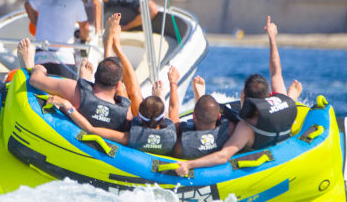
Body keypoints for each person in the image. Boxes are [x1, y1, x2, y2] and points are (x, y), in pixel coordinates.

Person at [175, 16, 300, 176]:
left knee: (226, 120)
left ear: (244, 96)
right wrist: (272, 38)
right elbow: (276, 71)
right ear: (269, 96)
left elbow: (223, 156)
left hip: (253, 150)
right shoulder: (283, 101)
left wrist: (189, 164)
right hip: (280, 133)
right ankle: (294, 97)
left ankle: (201, 99)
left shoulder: (246, 128)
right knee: (288, 100)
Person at [48, 70, 178, 156]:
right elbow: (173, 109)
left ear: (139, 117)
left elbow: (90, 129)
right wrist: (165, 92)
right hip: (163, 155)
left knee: (123, 93)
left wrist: (67, 106)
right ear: (162, 120)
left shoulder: (129, 137)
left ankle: (88, 83)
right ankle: (159, 99)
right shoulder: (173, 136)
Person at [24, 0, 91, 79]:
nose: (84, 1)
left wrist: (36, 24)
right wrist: (84, 38)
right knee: (66, 92)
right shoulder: (77, 2)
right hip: (63, 57)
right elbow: (85, 27)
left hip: (40, 56)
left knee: (40, 92)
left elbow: (28, 5)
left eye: (86, 0)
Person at [169, 74, 234, 159]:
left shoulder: (181, 146)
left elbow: (173, 112)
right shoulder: (230, 130)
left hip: (189, 158)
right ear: (219, 117)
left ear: (193, 116)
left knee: (174, 127)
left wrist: (173, 83)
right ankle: (200, 98)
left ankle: (200, 100)